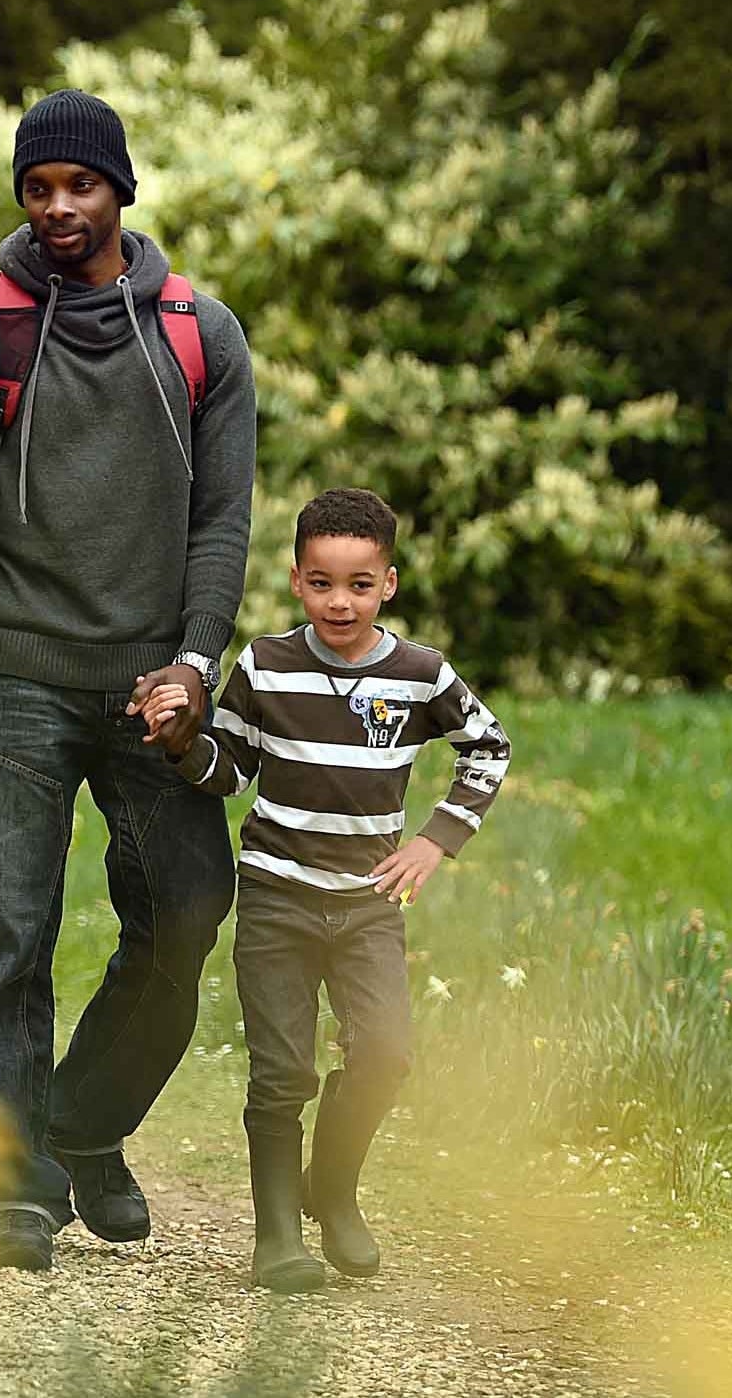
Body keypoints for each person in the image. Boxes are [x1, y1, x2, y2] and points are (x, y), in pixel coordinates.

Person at [0, 88, 259, 1271]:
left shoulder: (202, 336)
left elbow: (222, 520)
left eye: (79, 186)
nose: (57, 207)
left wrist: (198, 665)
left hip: (154, 684)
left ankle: (85, 1126)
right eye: (38, 188)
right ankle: (11, 1185)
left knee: (190, 910)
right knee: (11, 931)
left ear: (121, 192)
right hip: (12, 679)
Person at [138, 488, 512, 1291]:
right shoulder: (265, 665)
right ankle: (276, 1236)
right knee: (282, 1074)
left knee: (385, 1054)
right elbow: (229, 771)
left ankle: (332, 1190)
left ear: (390, 584)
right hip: (276, 895)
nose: (339, 601)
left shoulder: (419, 675)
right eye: (320, 582)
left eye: (359, 583)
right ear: (297, 580)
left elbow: (489, 748)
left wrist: (435, 841)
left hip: (371, 901)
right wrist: (179, 745)